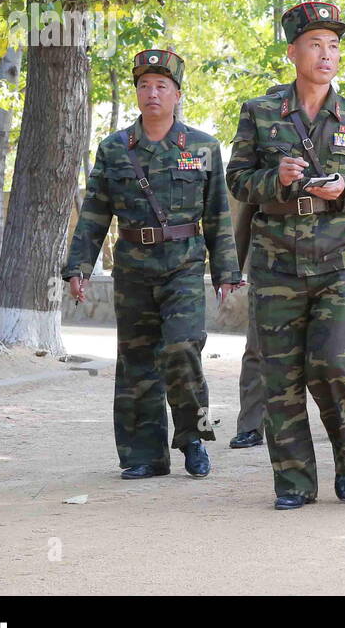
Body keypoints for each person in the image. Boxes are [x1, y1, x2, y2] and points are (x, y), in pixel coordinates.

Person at [226, 0, 345, 510]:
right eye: (315, 44)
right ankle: (293, 482)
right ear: (293, 51)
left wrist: (343, 188)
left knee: (334, 364)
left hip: (338, 260)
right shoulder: (260, 111)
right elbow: (236, 179)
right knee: (282, 377)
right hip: (276, 266)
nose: (327, 53)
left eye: (334, 45)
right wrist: (278, 179)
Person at [63, 49, 241, 480]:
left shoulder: (201, 147)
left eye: (162, 85)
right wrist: (79, 266)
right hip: (133, 268)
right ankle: (144, 455)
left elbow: (218, 213)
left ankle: (193, 437)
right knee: (136, 360)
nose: (152, 93)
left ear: (178, 94)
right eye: (144, 85)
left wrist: (226, 273)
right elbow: (95, 211)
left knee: (181, 349)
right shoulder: (114, 149)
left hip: (182, 265)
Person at [227, 147, 345, 450]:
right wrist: (233, 268)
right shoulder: (265, 128)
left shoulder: (339, 127)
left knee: (337, 351)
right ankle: (250, 423)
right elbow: (247, 211)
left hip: (334, 259)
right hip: (273, 261)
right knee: (260, 347)